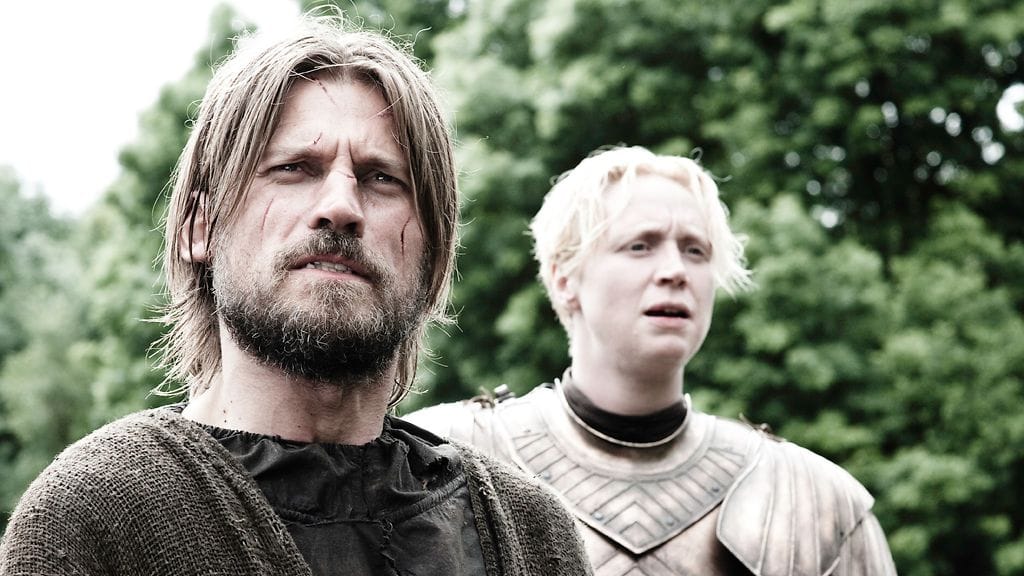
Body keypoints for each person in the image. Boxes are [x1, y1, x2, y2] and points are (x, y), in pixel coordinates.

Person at [0, 14, 591, 576]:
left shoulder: (534, 534)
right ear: (200, 227)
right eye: (294, 168)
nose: (341, 206)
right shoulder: (94, 521)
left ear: (433, 250)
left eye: (381, 178)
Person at [406, 145, 899, 575]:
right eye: (640, 246)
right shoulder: (434, 460)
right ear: (564, 278)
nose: (675, 271)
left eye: (696, 251)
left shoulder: (814, 500)